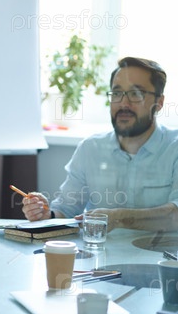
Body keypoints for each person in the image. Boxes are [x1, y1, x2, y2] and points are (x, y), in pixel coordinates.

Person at [23, 56, 178, 233]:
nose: (123, 104)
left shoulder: (174, 148)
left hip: (159, 251)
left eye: (136, 94)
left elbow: (176, 216)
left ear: (159, 103)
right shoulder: (90, 148)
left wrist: (119, 218)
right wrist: (46, 215)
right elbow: (66, 210)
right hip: (100, 250)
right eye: (117, 93)